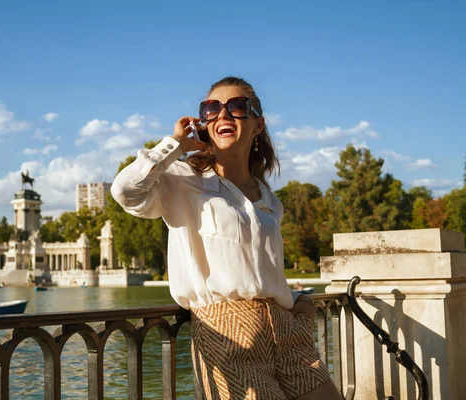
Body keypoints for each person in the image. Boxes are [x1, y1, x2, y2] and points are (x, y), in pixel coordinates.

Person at [111, 77, 341, 399]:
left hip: (287, 330)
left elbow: (261, 268)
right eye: (211, 108)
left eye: (236, 107)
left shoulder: (268, 199)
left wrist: (297, 305)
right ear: (204, 123)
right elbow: (125, 191)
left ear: (257, 124)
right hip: (226, 331)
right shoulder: (182, 181)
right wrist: (174, 144)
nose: (223, 115)